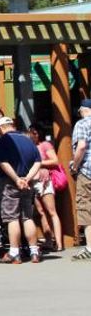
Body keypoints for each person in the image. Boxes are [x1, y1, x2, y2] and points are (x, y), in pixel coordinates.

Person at [0, 117, 42, 264]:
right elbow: (38, 161)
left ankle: (14, 252)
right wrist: (27, 179)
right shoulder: (28, 139)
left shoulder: (3, 140)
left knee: (12, 217)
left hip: (9, 182)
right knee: (27, 216)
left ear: (1, 128)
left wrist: (16, 179)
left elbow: (2, 162)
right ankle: (34, 251)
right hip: (27, 182)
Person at [29, 126, 63, 252]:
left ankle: (59, 243)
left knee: (52, 211)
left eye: (32, 132)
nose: (30, 135)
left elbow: (55, 160)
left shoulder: (45, 145)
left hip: (44, 181)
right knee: (41, 212)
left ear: (37, 133)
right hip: (34, 181)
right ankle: (48, 240)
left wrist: (40, 163)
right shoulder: (31, 147)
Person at [70, 100, 91, 261]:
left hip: (87, 172)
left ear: (83, 110)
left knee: (86, 208)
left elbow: (82, 146)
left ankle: (90, 247)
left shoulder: (82, 124)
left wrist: (75, 166)